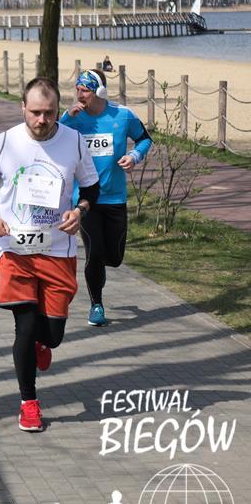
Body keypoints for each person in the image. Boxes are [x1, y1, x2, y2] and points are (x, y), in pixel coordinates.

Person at [0, 78, 99, 432]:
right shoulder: (4, 143)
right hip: (16, 250)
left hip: (58, 251)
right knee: (23, 328)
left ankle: (44, 341)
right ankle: (29, 403)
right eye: (35, 112)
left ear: (58, 110)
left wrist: (80, 210)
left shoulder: (74, 142)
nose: (42, 120)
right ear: (22, 107)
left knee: (52, 335)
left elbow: (91, 188)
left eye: (49, 113)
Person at [60, 69, 152, 326]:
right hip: (85, 201)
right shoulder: (73, 119)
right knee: (94, 254)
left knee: (114, 257)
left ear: (99, 92)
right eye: (78, 90)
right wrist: (66, 117)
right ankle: (96, 305)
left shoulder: (122, 116)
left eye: (85, 91)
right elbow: (52, 138)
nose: (80, 95)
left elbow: (145, 139)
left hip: (115, 199)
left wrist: (134, 156)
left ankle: (101, 271)